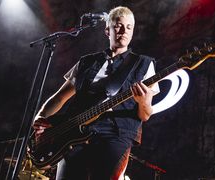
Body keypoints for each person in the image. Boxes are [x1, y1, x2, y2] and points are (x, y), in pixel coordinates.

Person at [32, 6, 159, 180]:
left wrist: (143, 102)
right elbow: (60, 98)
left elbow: (145, 115)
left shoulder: (143, 64)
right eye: (118, 26)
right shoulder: (87, 62)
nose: (124, 31)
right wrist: (41, 117)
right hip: (74, 133)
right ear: (107, 30)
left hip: (115, 134)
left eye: (129, 27)